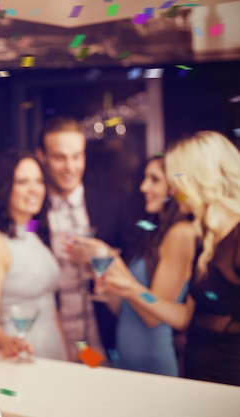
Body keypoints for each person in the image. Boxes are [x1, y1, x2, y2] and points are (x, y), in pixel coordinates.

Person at [100, 131, 240, 386]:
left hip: (229, 376)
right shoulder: (206, 238)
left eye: (176, 177)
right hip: (197, 374)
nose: (172, 189)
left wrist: (128, 284)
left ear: (199, 178)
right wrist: (121, 286)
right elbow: (185, 317)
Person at [83, 154, 196, 376]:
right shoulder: (153, 235)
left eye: (155, 180)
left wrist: (110, 259)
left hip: (152, 363)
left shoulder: (181, 233)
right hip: (126, 361)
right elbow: (127, 308)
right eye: (144, 178)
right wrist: (105, 283)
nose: (144, 187)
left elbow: (152, 316)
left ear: (173, 187)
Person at [34, 116, 135, 362]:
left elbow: (132, 262)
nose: (70, 166)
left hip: (103, 337)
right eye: (60, 157)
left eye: (77, 156)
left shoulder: (111, 202)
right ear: (42, 156)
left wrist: (101, 259)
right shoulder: (32, 210)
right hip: (50, 340)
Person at [0, 149, 68, 361]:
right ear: (5, 187)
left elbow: (51, 306)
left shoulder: (34, 232)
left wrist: (67, 353)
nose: (34, 189)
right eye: (23, 182)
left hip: (53, 347)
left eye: (39, 181)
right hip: (20, 351)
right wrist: (9, 343)